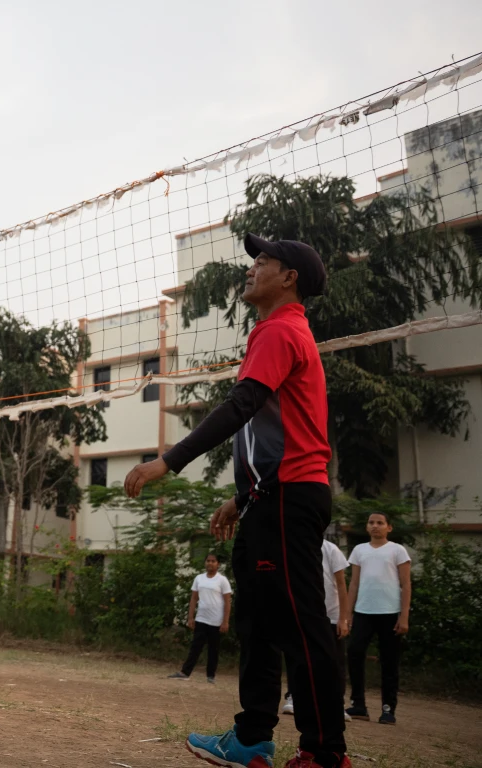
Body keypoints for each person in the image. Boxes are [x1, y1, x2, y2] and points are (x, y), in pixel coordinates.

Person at [123, 234, 350, 768]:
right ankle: (251, 741)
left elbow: (241, 406)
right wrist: (244, 496)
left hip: (291, 497)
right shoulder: (272, 332)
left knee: (302, 624)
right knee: (257, 624)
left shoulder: (282, 330)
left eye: (263, 261)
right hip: (270, 497)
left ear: (289, 277)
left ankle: (324, 752)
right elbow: (272, 429)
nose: (252, 268)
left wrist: (169, 460)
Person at [345, 512, 411, 725]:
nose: (375, 526)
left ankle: (388, 708)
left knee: (389, 660)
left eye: (380, 523)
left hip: (389, 613)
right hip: (363, 612)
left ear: (389, 527)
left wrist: (404, 616)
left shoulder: (397, 550)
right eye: (371, 522)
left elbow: (406, 584)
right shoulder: (359, 550)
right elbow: (354, 583)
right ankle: (358, 704)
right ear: (367, 527)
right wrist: (347, 614)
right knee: (354, 652)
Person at [282, 535, 350, 721]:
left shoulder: (331, 549)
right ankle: (294, 696)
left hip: (331, 615)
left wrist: (343, 618)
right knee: (298, 658)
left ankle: (337, 703)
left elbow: (341, 584)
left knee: (335, 662)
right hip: (303, 613)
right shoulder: (295, 545)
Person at [168, 553, 232, 683]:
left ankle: (210, 676)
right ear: (205, 563)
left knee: (213, 649)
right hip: (201, 618)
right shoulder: (199, 578)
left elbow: (227, 601)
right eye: (208, 561)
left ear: (218, 564)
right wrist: (190, 617)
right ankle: (185, 672)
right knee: (195, 647)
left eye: (213, 561)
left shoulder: (222, 580)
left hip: (216, 620)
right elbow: (193, 598)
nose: (210, 563)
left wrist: (225, 621)